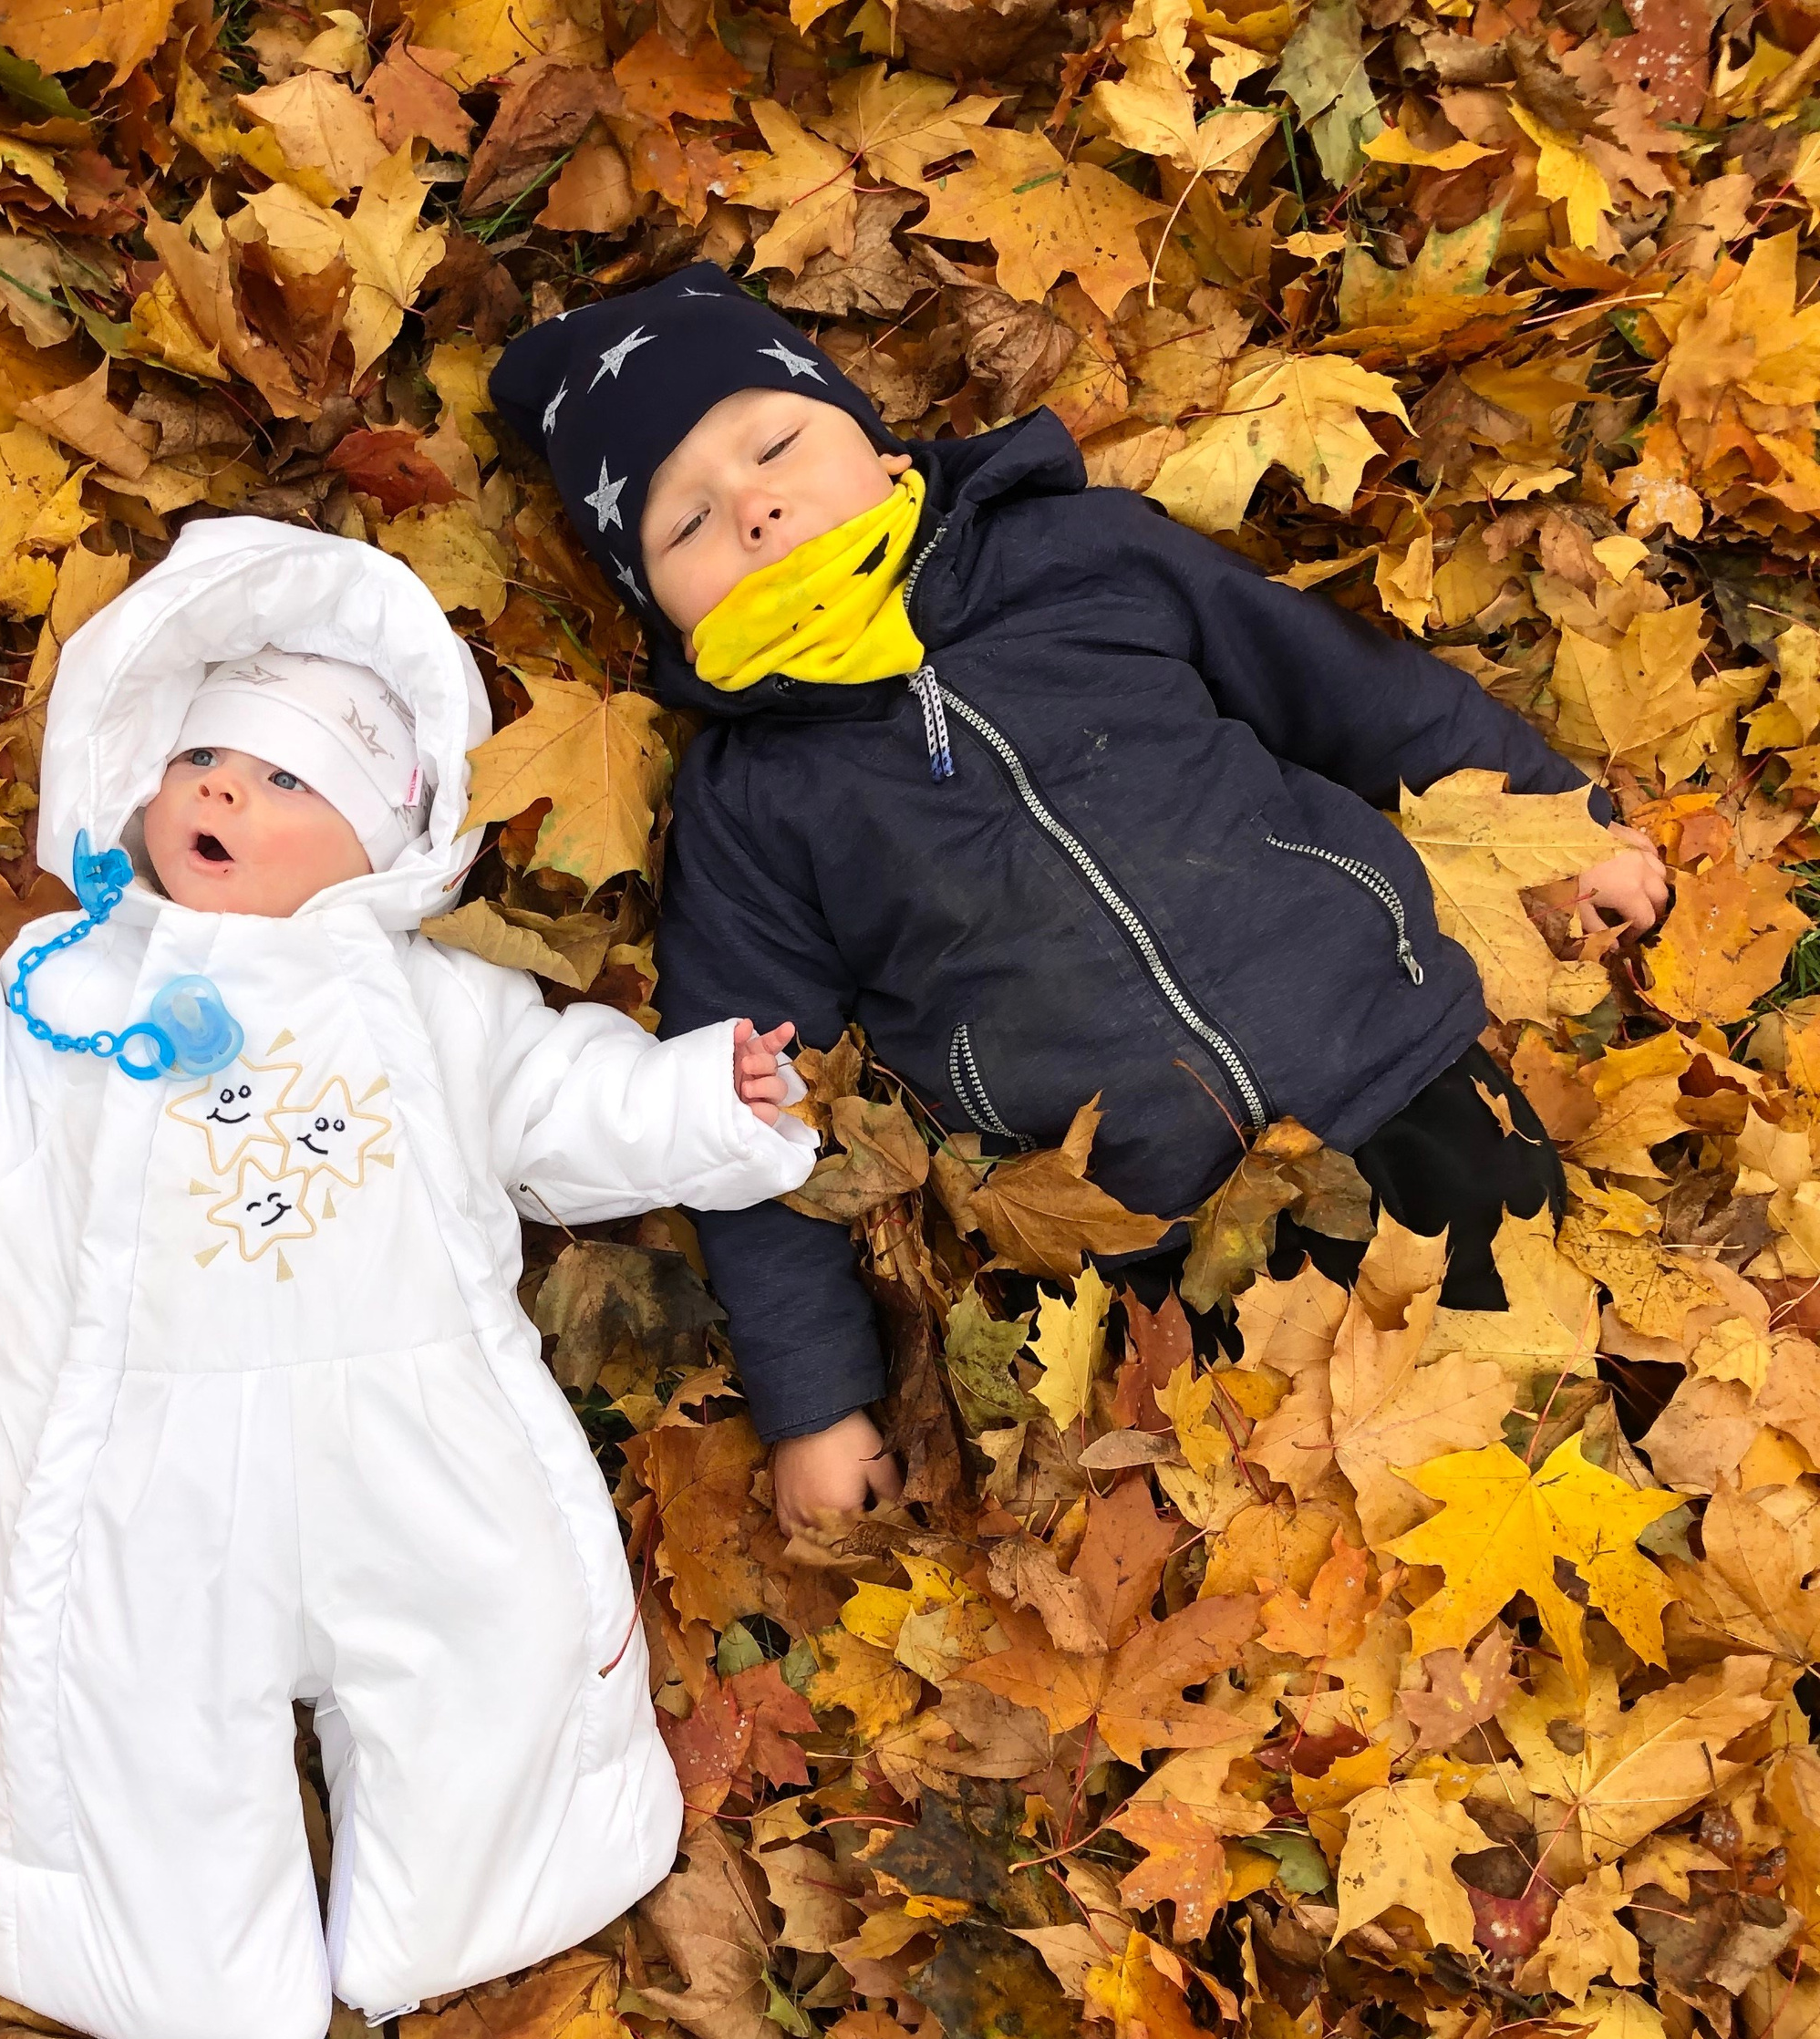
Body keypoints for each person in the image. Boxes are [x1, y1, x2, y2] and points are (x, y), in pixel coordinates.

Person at [0, 519, 815, 2039]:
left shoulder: (434, 1007)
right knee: (125, 1698)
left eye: (291, 780)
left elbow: (571, 1103)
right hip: (134, 1448)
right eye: (206, 759)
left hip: (416, 1425)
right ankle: (166, 1959)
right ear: (138, 782)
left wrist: (712, 1102)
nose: (228, 791)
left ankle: (470, 1899)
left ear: (395, 844)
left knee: (489, 1633)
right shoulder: (65, 984)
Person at [488, 267, 1670, 1534]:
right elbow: (744, 1104)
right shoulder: (749, 803)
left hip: (1390, 1056)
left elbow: (1339, 684)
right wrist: (817, 1398)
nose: (757, 506)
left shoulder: (1078, 551)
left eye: (775, 444)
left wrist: (1559, 820)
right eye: (688, 525)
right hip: (1151, 1235)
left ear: (878, 446)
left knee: (1564, 1435)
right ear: (654, 610)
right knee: (1293, 1537)